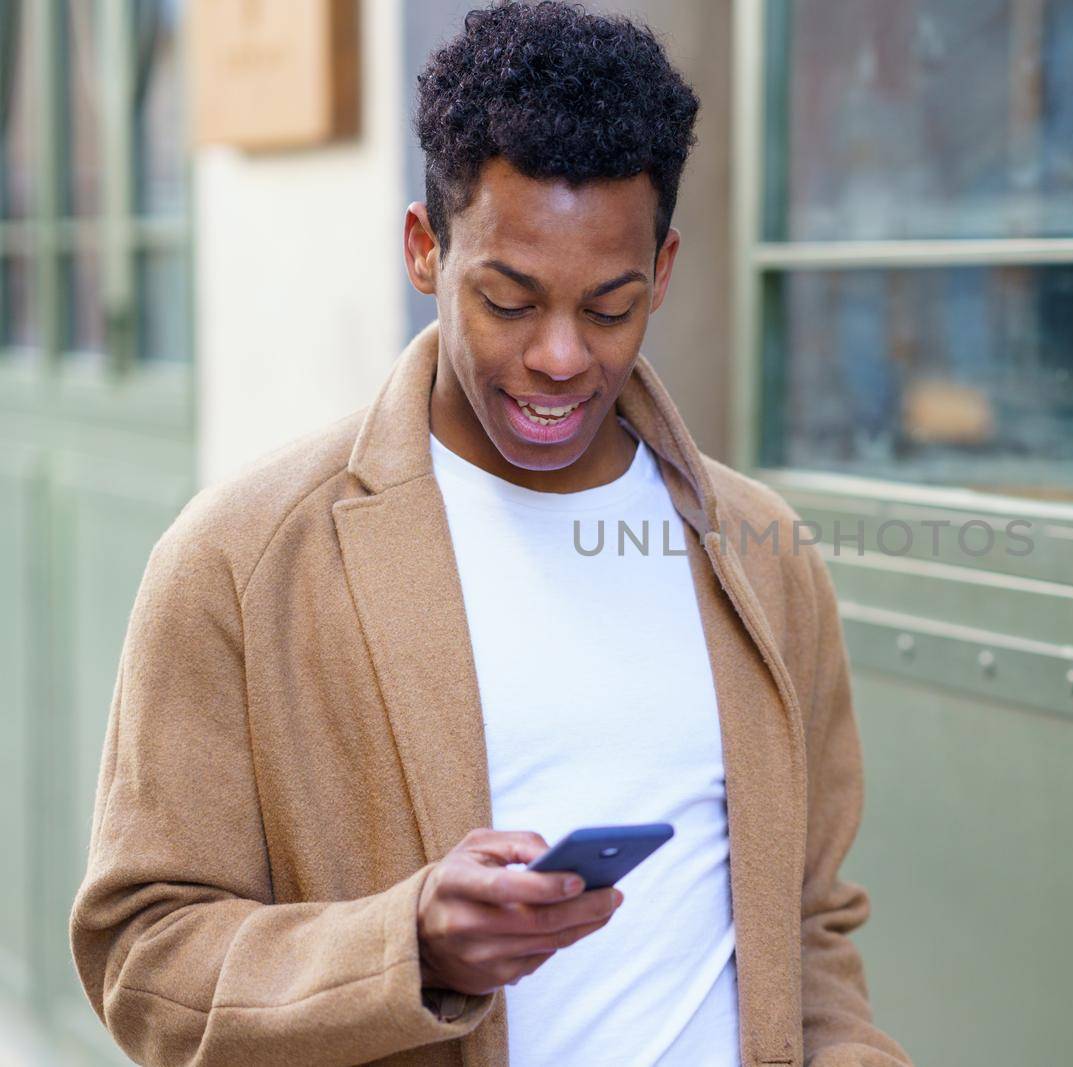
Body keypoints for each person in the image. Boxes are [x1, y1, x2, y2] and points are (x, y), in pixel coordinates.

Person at [68, 4, 911, 1065]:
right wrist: (409, 946)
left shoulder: (759, 554)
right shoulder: (240, 560)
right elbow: (144, 960)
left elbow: (806, 927)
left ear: (663, 269)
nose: (560, 356)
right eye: (507, 300)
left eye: (609, 308)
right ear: (424, 249)